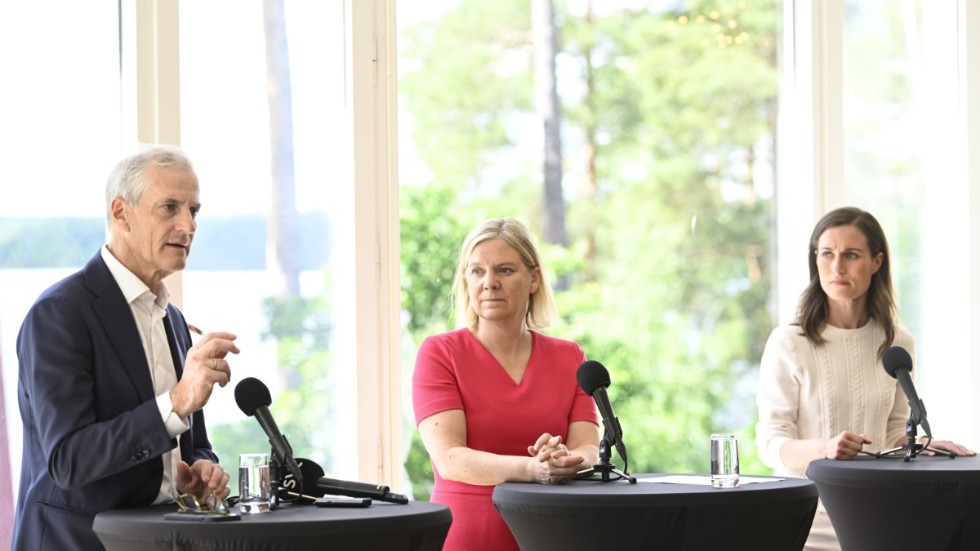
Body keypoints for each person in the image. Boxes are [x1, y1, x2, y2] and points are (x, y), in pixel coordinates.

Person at [12, 145, 240, 551]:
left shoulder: (171, 319)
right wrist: (178, 400)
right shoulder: (59, 314)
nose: (188, 225)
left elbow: (189, 440)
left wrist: (201, 467)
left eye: (194, 210)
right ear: (121, 214)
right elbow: (69, 459)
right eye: (170, 207)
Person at [755, 206, 974, 550]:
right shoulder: (790, 341)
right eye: (826, 254)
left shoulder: (897, 342)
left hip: (878, 518)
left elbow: (890, 434)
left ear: (876, 262)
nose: (837, 267)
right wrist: (825, 449)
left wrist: (924, 447)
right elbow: (771, 444)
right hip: (806, 522)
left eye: (851, 255)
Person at [412, 217, 601, 551]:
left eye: (504, 270)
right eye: (477, 271)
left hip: (554, 535)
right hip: (469, 537)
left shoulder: (571, 357)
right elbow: (449, 458)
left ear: (533, 279)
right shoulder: (440, 353)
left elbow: (587, 449)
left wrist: (563, 460)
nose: (489, 283)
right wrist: (532, 468)